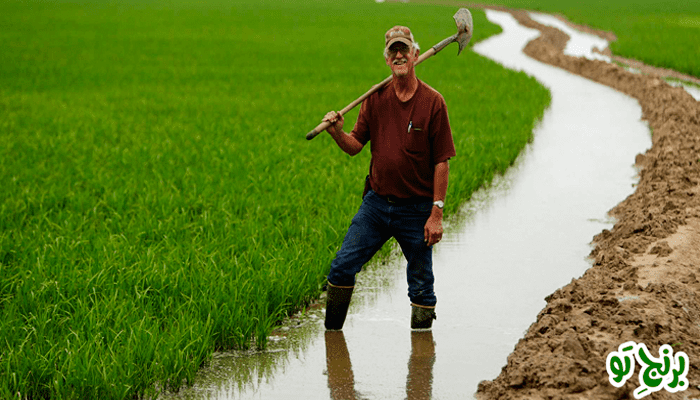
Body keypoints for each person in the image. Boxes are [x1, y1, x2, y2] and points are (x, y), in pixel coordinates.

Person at [321, 25, 456, 331]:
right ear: (387, 59)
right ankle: (333, 343)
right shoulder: (375, 98)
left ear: (415, 54)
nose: (398, 55)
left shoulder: (433, 102)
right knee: (342, 267)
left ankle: (421, 366)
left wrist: (437, 213)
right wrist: (336, 132)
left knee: (422, 287)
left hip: (418, 209)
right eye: (393, 51)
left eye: (403, 49)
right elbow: (355, 146)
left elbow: (442, 161)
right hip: (377, 206)